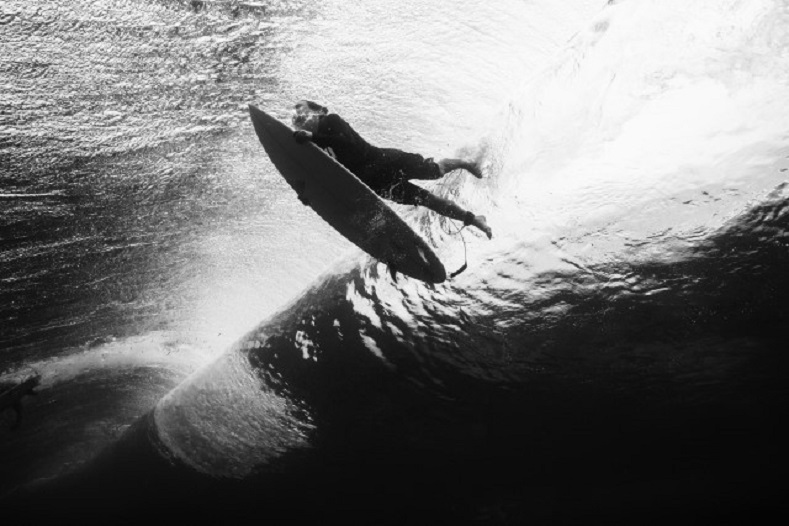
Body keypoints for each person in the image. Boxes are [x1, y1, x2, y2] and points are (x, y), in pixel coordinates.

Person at [290, 100, 492, 239]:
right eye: (294, 115)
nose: (297, 114)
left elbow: (349, 146)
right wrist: (309, 196)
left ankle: (465, 163)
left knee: (435, 172)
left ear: (316, 111)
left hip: (387, 161)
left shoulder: (331, 121)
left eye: (301, 108)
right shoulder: (313, 149)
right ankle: (474, 219)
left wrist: (312, 137)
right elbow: (323, 178)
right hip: (377, 185)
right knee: (429, 201)